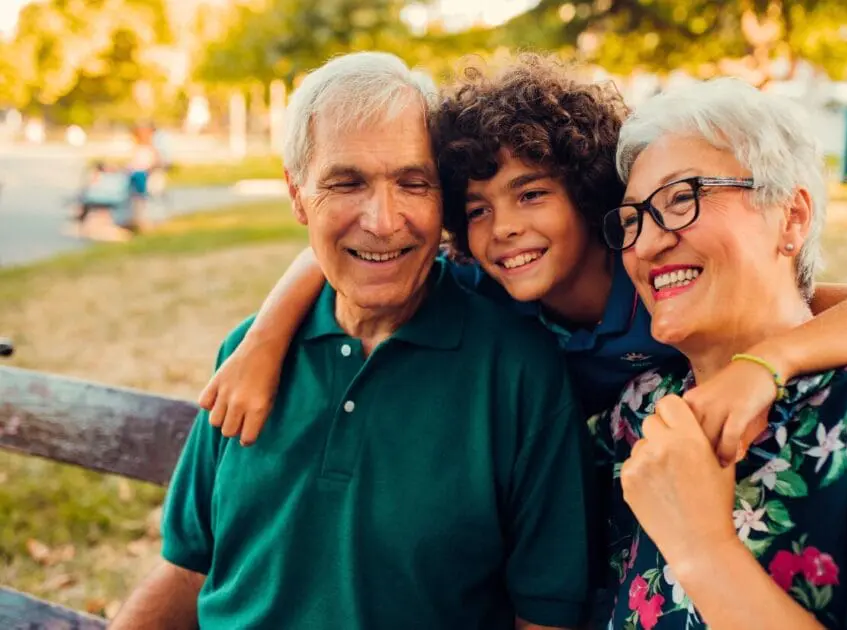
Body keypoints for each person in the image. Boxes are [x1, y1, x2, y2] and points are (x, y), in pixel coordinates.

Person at [199, 55, 847, 469]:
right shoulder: (484, 286)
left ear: (588, 193)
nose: (504, 231)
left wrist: (767, 361)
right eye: (477, 209)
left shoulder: (667, 289)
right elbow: (347, 252)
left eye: (531, 195)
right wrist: (265, 341)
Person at [110, 52, 594, 630]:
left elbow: (545, 615)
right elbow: (187, 571)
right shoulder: (249, 353)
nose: (384, 221)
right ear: (297, 195)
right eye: (347, 183)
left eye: (413, 183)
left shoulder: (518, 372)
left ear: (442, 199)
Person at [609, 78, 847, 629]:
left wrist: (703, 546)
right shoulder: (637, 409)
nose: (648, 243)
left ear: (792, 218)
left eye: (683, 198)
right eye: (632, 220)